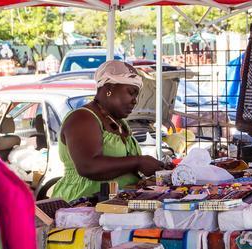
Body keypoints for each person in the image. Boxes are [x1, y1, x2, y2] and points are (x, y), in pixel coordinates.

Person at [52, 60, 166, 202]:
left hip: (114, 206)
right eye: (131, 93)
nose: (134, 101)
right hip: (82, 206)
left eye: (136, 95)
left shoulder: (119, 123)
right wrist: (138, 162)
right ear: (108, 89)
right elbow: (88, 166)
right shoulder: (82, 118)